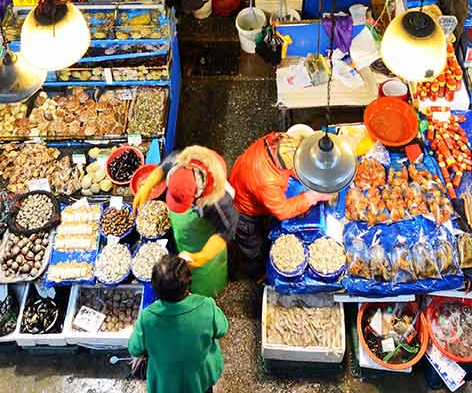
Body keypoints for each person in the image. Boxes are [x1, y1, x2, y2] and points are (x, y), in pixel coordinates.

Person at [227, 127, 334, 279]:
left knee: (262, 228)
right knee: (252, 246)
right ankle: (253, 274)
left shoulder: (276, 142)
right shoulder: (267, 181)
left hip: (245, 183)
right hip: (243, 212)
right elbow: (282, 211)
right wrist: (312, 196)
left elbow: (291, 167)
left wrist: (309, 180)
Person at [133, 146, 238, 297]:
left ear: (197, 196)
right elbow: (163, 168)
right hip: (186, 234)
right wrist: (147, 187)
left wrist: (202, 257)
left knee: (206, 275)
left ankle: (210, 292)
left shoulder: (218, 201)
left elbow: (225, 232)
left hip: (206, 244)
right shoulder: (182, 161)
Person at [128, 254, 227, 393]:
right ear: (188, 285)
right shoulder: (206, 306)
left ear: (155, 289)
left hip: (166, 383)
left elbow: (134, 348)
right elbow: (222, 329)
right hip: (200, 378)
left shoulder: (147, 318)